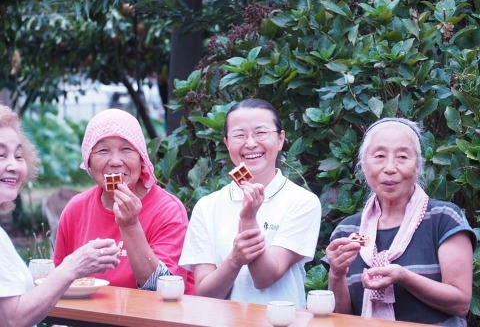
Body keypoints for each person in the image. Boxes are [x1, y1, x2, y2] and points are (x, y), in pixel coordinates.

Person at [323, 117, 476, 325]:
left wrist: (404, 277)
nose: (390, 168)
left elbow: (460, 303)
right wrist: (337, 273)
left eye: (402, 157)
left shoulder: (443, 218)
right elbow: (341, 317)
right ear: (364, 166)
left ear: (418, 166)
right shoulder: (348, 230)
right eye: (379, 156)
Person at [179, 98, 322, 308]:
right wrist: (234, 260)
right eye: (239, 135)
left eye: (261, 132)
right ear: (227, 143)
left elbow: (265, 278)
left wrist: (248, 219)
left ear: (280, 139)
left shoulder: (302, 202)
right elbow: (204, 293)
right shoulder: (207, 206)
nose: (251, 143)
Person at [0, 105, 119, 327]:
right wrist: (71, 267)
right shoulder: (75, 207)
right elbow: (12, 319)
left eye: (18, 155)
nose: (13, 165)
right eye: (0, 155)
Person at [54, 108, 194, 294]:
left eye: (126, 149)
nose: (115, 161)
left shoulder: (168, 209)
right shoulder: (76, 209)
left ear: (142, 158)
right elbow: (58, 283)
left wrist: (130, 226)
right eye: (103, 150)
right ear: (88, 161)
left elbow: (163, 289)